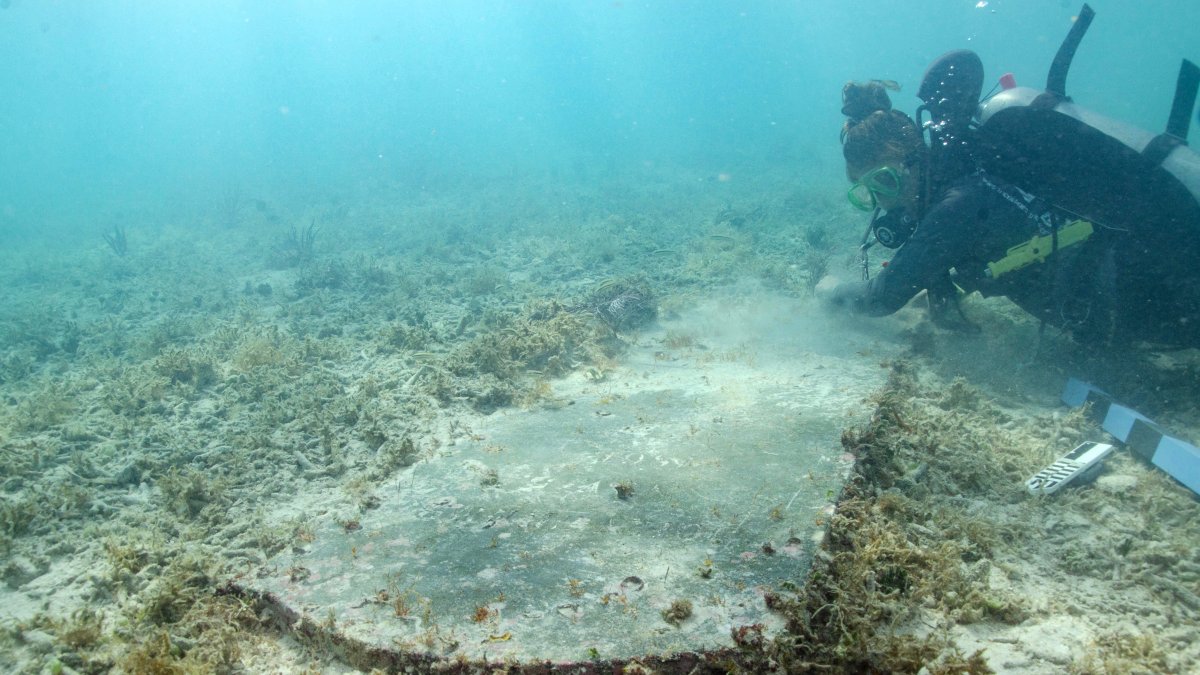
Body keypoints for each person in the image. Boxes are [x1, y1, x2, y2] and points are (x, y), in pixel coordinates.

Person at [818, 80, 1200, 349]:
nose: (884, 202)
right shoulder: (973, 182)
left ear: (917, 159)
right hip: (1132, 287)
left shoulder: (958, 206)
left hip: (1145, 293)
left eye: (886, 182)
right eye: (868, 192)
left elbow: (881, 299)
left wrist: (828, 292)